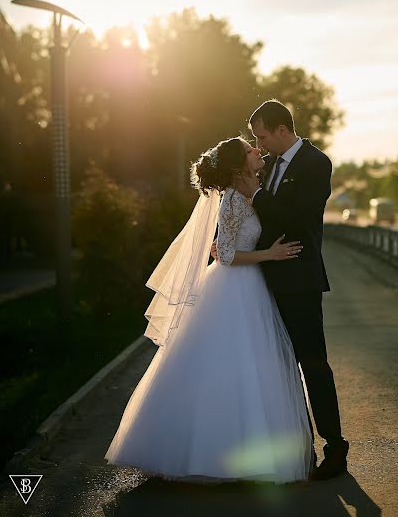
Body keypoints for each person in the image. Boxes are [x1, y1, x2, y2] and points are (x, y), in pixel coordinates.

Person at [104, 136, 314, 484]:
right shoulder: (233, 200)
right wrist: (269, 255)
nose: (257, 151)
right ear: (237, 166)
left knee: (250, 368)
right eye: (250, 149)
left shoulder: (247, 194)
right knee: (228, 366)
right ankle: (210, 455)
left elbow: (226, 246)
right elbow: (227, 254)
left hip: (250, 286)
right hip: (234, 288)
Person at [220, 99, 349, 480]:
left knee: (313, 363)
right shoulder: (269, 163)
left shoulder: (315, 163)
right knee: (277, 368)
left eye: (261, 136)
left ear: (281, 130)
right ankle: (296, 446)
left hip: (300, 280)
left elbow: (298, 217)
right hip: (263, 283)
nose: (257, 145)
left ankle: (335, 447)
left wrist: (254, 196)